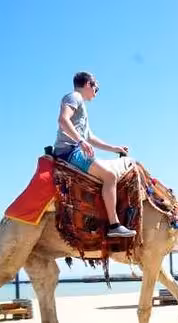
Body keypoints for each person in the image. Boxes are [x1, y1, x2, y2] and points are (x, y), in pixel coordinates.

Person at [53, 72, 135, 238]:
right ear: (88, 84)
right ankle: (114, 225)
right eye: (96, 87)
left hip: (74, 148)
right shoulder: (74, 96)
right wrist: (81, 142)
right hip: (69, 151)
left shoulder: (81, 107)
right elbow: (63, 120)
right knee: (110, 176)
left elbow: (90, 137)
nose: (96, 92)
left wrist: (115, 148)